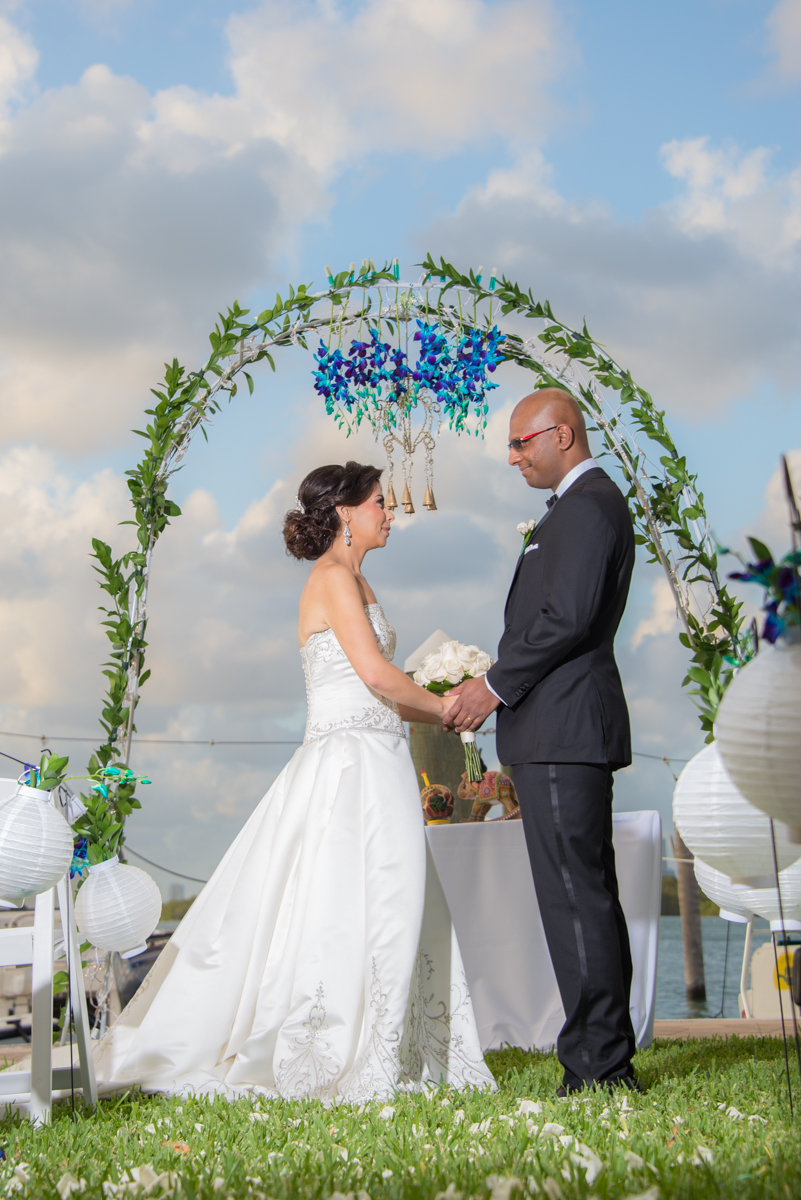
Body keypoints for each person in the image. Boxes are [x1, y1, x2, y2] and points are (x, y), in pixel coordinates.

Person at [92, 461, 495, 1101]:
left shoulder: (357, 583)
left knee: (390, 896)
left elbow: (384, 681)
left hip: (379, 753)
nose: (390, 514)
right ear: (345, 513)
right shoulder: (333, 577)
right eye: (380, 503)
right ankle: (334, 1039)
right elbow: (376, 675)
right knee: (350, 898)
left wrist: (432, 708)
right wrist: (449, 707)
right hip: (350, 761)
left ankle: (394, 1036)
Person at [445, 389, 639, 1094]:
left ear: (563, 434)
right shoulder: (573, 508)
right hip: (552, 730)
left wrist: (489, 688)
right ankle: (597, 1054)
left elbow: (565, 617)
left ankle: (599, 1067)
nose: (511, 455)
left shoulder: (587, 508)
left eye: (521, 442)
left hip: (563, 728)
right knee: (574, 896)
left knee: (574, 897)